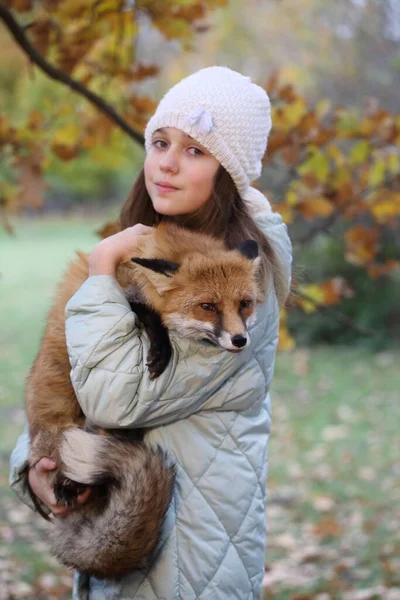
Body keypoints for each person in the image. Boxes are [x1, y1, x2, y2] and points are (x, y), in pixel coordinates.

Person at [9, 66, 292, 599]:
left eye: (195, 150)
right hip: (132, 549)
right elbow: (66, 375)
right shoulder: (155, 250)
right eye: (161, 141)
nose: (166, 162)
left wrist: (99, 276)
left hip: (191, 566)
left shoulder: (238, 280)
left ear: (228, 172)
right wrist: (37, 460)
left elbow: (113, 399)